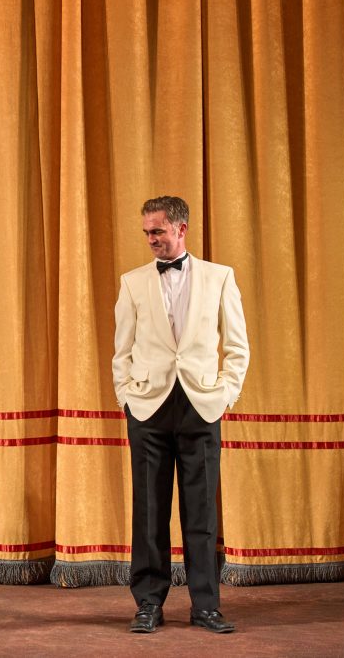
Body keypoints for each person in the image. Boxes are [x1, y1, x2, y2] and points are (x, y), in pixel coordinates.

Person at [112, 196, 249, 634]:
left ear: (181, 228)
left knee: (201, 513)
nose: (151, 239)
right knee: (149, 512)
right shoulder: (132, 282)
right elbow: (121, 350)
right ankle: (148, 604)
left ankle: (206, 606)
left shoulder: (220, 278)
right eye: (147, 232)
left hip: (201, 405)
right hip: (148, 408)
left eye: (158, 231)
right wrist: (126, 398)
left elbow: (237, 346)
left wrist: (225, 393)